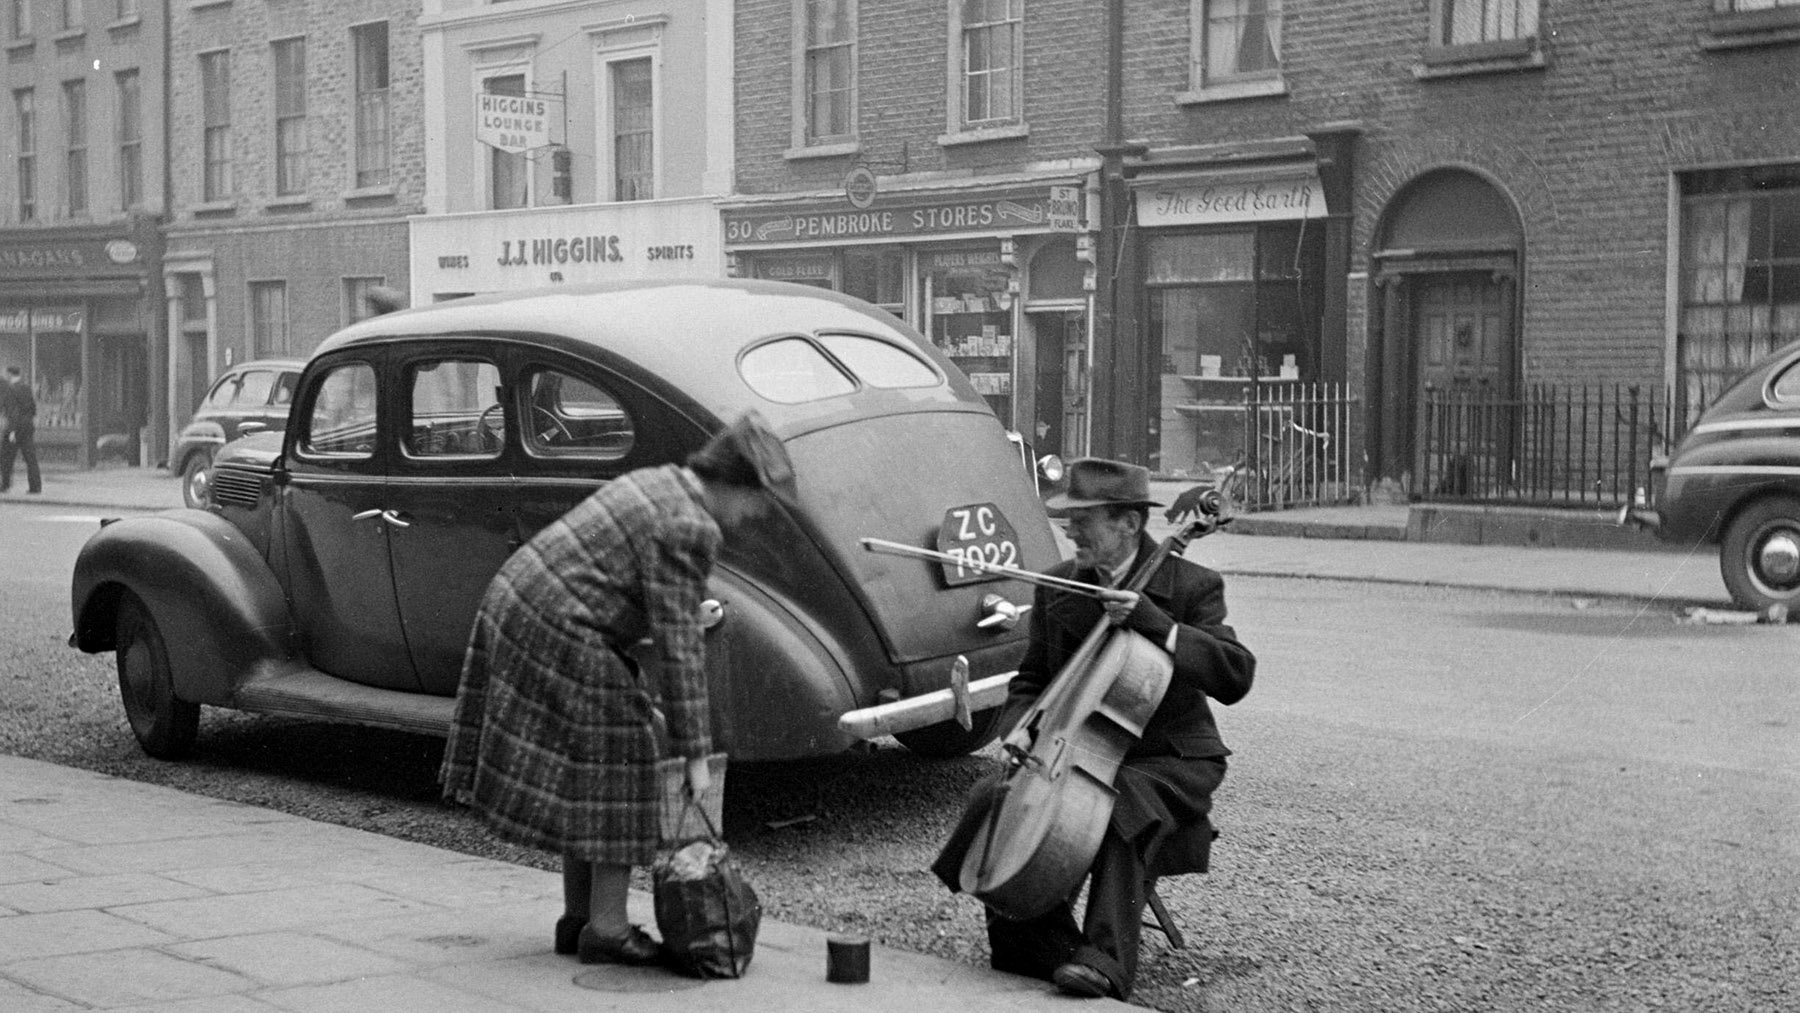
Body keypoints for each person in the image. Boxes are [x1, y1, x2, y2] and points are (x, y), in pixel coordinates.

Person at [440, 411, 796, 966]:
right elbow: (680, 650)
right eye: (759, 501)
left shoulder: (662, 481)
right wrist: (695, 756)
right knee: (624, 760)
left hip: (521, 602)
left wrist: (681, 615)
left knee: (590, 769)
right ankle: (606, 929)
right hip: (560, 625)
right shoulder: (692, 524)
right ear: (733, 482)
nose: (757, 516)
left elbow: (636, 589)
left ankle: (578, 920)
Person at [932, 457, 1256, 1000]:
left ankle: (1106, 961)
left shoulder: (1192, 585)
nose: (1069, 530)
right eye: (1068, 519)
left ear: (1129, 523)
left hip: (1167, 758)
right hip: (1076, 748)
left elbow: (1236, 674)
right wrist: (1020, 728)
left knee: (1119, 804)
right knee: (995, 795)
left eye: (1084, 520)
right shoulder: (1061, 585)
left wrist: (1158, 625)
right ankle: (1039, 944)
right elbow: (1031, 680)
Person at [0, 365, 42, 495]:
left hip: (15, 428)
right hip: (27, 426)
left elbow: (13, 411)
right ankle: (35, 486)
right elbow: (33, 407)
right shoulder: (26, 388)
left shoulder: (10, 390)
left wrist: (12, 431)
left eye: (6, 374)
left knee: (6, 457)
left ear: (9, 374)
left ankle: (5, 484)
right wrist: (32, 421)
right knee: (30, 458)